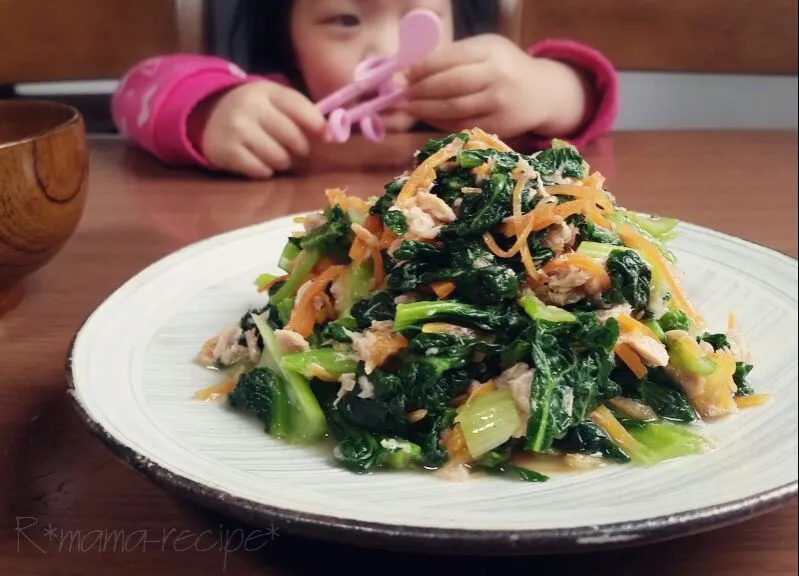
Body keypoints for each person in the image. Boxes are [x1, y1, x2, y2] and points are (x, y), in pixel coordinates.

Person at [111, 0, 618, 180]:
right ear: (287, 33)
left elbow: (590, 101)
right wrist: (209, 113)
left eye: (419, 18)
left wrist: (546, 87)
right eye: (345, 19)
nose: (388, 50)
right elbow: (135, 91)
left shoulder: (486, 114)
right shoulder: (272, 100)